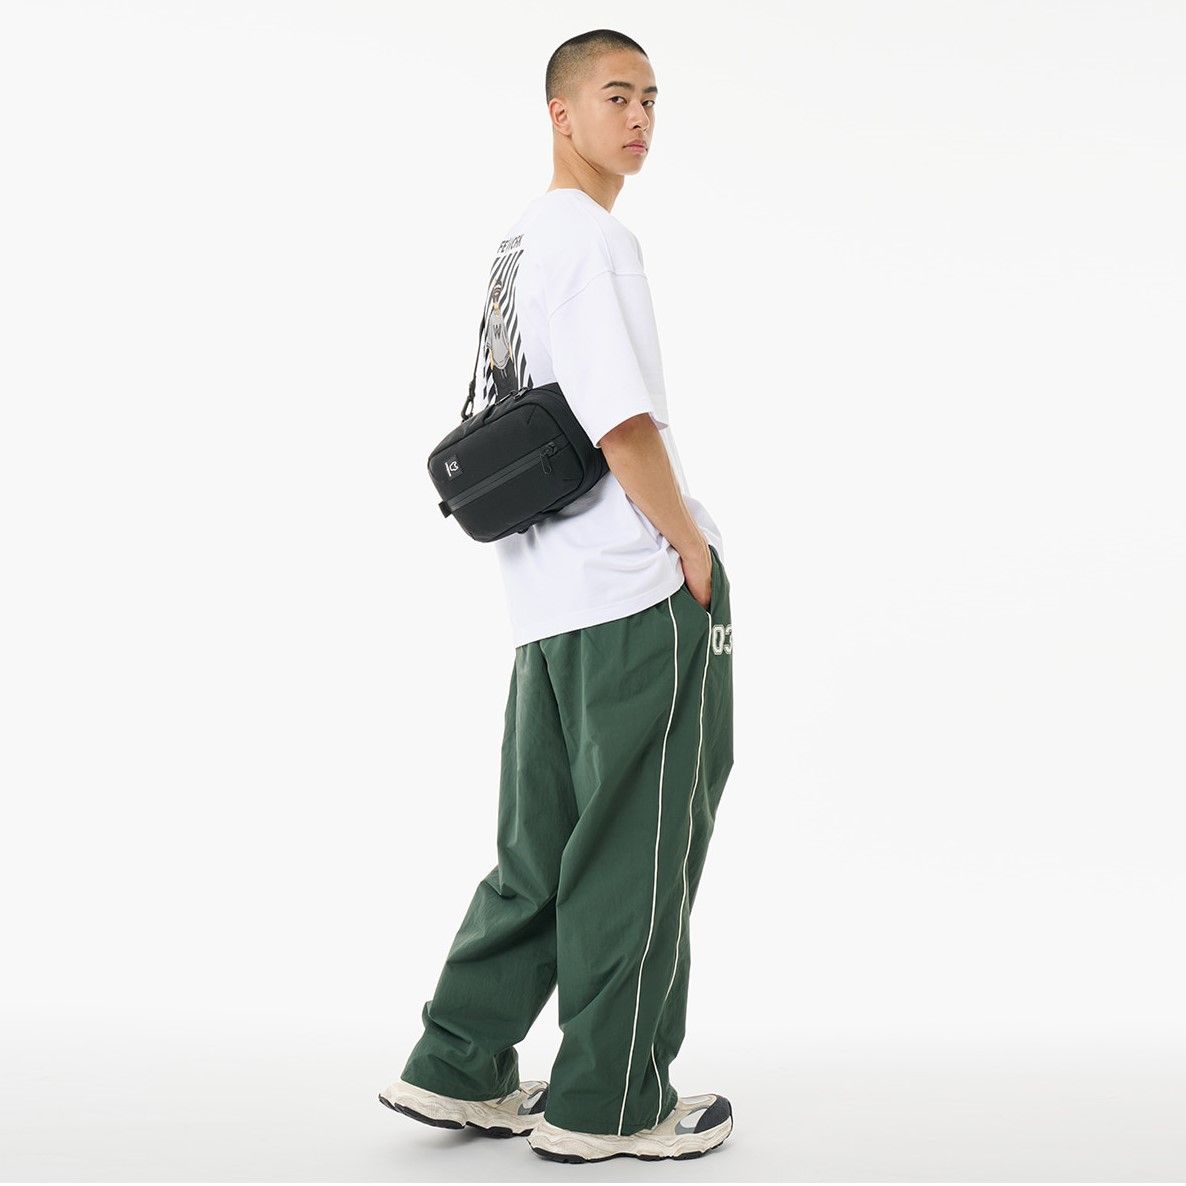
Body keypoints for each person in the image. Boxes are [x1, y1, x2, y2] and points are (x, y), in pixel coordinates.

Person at [379, 28, 736, 1165]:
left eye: (650, 99)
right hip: (630, 589)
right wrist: (691, 548)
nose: (638, 119)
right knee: (638, 847)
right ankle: (612, 1101)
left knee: (539, 849)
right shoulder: (593, 240)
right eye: (614, 96)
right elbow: (619, 421)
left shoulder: (521, 244)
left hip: (544, 596)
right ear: (560, 113)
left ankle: (457, 1062)